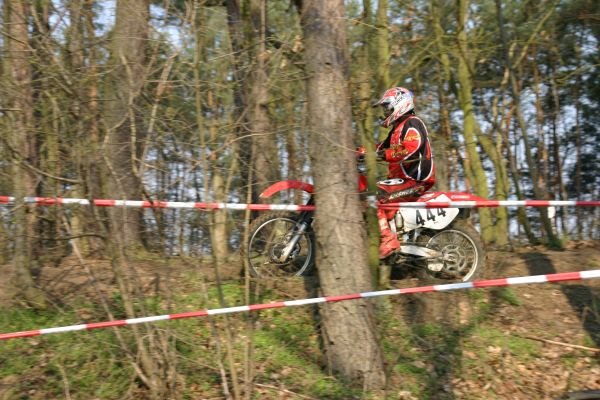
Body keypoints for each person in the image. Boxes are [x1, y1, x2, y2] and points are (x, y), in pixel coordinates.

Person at [371, 87, 436, 259]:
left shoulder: (412, 123)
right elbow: (379, 148)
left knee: (373, 195)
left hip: (415, 180)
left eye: (387, 106)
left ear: (400, 104)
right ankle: (391, 235)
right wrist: (357, 152)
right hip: (402, 180)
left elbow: (411, 147)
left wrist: (384, 154)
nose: (385, 111)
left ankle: (388, 239)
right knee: (369, 192)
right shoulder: (396, 129)